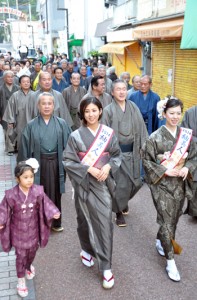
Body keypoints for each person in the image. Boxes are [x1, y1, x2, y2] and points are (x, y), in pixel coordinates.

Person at [63, 97, 121, 289]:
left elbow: (116, 155)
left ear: (100, 110)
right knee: (84, 220)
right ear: (82, 113)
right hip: (84, 184)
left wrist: (109, 167)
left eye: (94, 110)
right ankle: (86, 248)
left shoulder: (108, 134)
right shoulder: (76, 136)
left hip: (102, 185)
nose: (91, 114)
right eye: (87, 111)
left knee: (104, 223)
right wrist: (87, 168)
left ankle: (106, 267)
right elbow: (68, 161)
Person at [142, 97, 197, 282]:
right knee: (167, 221)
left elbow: (194, 156)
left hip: (180, 184)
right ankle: (170, 261)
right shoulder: (155, 137)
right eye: (171, 113)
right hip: (162, 185)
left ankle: (160, 240)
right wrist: (165, 169)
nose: (175, 117)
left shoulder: (186, 135)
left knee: (173, 219)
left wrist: (187, 167)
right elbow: (147, 161)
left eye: (178, 113)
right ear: (164, 113)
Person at [0, 159, 60, 298]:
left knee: (32, 252)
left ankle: (28, 266)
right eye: (25, 177)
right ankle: (21, 281)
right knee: (20, 256)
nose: (29, 180)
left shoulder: (38, 191)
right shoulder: (11, 195)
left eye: (31, 177)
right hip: (18, 231)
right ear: (17, 178)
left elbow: (46, 203)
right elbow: (3, 209)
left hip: (33, 230)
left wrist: (53, 212)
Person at [18, 92, 72, 232]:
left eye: (49, 103)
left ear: (54, 105)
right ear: (38, 105)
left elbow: (70, 146)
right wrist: (23, 169)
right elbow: (24, 147)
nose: (47, 106)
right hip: (38, 163)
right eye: (43, 103)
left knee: (55, 193)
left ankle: (56, 221)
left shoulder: (61, 123)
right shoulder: (31, 125)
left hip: (56, 162)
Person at [102, 79, 148, 226]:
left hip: (133, 151)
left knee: (136, 182)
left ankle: (123, 201)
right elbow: (104, 133)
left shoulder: (133, 106)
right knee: (119, 184)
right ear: (112, 92)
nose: (121, 92)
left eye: (123, 89)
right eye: (118, 89)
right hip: (116, 154)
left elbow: (141, 128)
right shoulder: (108, 110)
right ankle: (118, 212)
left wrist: (145, 147)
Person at [2, 75, 34, 150]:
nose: (26, 83)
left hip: (33, 121)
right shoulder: (15, 95)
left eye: (28, 82)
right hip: (19, 121)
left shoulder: (35, 95)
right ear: (20, 84)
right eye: (23, 82)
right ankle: (20, 154)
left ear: (30, 83)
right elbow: (10, 109)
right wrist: (11, 121)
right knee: (20, 138)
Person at [181, 105, 197, 217]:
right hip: (193, 151)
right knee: (194, 183)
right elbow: (184, 133)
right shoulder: (190, 112)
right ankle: (195, 211)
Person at [0, 70, 19, 155]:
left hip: (16, 111)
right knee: (7, 130)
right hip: (4, 111)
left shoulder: (17, 88)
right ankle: (9, 149)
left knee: (16, 129)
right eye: (8, 77)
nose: (10, 79)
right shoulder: (1, 89)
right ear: (4, 78)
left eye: (12, 77)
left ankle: (16, 147)